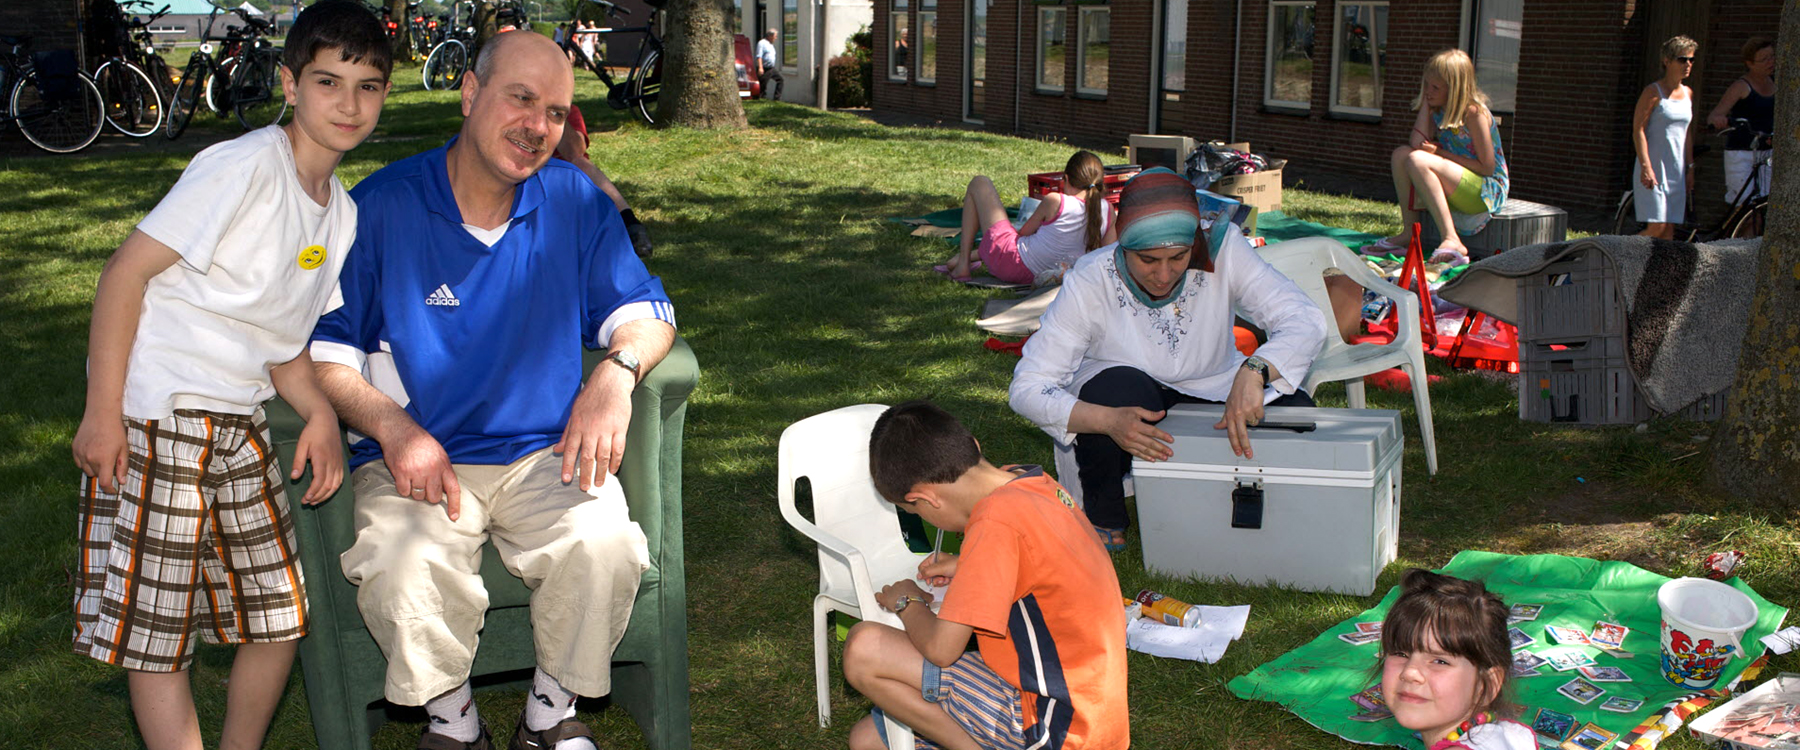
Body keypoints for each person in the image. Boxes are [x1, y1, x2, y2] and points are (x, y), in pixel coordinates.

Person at [309, 30, 676, 750]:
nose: (537, 126)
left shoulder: (573, 200)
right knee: (404, 564)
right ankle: (455, 725)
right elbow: (326, 356)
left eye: (555, 111)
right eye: (521, 99)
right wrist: (393, 428)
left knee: (603, 543)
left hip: (544, 454)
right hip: (419, 458)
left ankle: (546, 718)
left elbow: (647, 313)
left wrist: (616, 372)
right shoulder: (380, 208)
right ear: (471, 94)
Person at [69, 2, 389, 747]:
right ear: (288, 83)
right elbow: (125, 275)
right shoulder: (243, 167)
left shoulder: (338, 214)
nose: (348, 105)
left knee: (279, 613)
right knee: (157, 629)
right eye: (328, 82)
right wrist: (101, 410)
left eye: (368, 86)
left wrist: (317, 414)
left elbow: (282, 343)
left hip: (238, 427)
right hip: (160, 417)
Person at [1008, 168, 1327, 551]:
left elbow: (1305, 319)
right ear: (1123, 247)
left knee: (1297, 415)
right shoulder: (1092, 278)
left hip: (1215, 387)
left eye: (1178, 257)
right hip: (1129, 396)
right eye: (1148, 260)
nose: (1163, 274)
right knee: (1115, 390)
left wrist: (1255, 370)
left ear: (1194, 242)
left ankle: (1247, 500)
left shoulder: (1223, 250)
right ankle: (1104, 514)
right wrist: (1107, 421)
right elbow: (1027, 387)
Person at [844, 400, 1129, 750]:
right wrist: (967, 563)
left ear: (925, 498)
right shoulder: (1032, 483)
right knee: (868, 740)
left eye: (912, 511)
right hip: (1095, 716)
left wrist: (908, 600)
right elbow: (1041, 559)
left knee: (864, 647)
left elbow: (941, 650)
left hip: (1051, 727)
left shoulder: (993, 525)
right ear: (974, 447)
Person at [1367, 48, 1508, 264]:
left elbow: (1487, 167)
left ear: (1454, 90)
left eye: (1435, 87)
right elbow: (1417, 143)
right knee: (1401, 155)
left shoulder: (1474, 113)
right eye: (1426, 85)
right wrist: (1425, 106)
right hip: (1459, 179)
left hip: (1487, 190)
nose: (1428, 92)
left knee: (1418, 160)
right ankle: (1409, 234)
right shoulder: (1440, 109)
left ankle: (1452, 238)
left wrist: (1441, 153)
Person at [1376, 569, 1534, 750]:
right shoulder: (1510, 734)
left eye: (1440, 661)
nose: (1410, 672)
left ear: (1487, 685)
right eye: (1400, 654)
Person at [938, 150, 1117, 284]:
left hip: (1013, 264)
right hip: (1052, 275)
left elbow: (1024, 233)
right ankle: (967, 258)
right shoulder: (1109, 211)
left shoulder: (1056, 201)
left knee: (980, 183)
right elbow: (1105, 257)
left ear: (1066, 179)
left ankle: (963, 264)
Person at [555, 103, 654, 257]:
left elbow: (574, 151)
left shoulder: (569, 111)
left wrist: (555, 113)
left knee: (580, 162)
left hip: (567, 179)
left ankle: (629, 222)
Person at [1631, 36, 1698, 239]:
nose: (1687, 64)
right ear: (1667, 61)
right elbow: (1638, 130)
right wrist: (1646, 166)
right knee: (1656, 228)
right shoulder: (1653, 92)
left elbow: (1686, 135)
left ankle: (1658, 270)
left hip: (1676, 170)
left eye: (1691, 60)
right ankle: (1615, 254)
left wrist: (1690, 168)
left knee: (1668, 231)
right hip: (1654, 166)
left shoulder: (1688, 93)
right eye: (1682, 59)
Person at [1705, 37, 1775, 219]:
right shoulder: (1741, 87)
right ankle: (1740, 244)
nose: (1770, 62)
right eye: (1764, 59)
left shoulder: (1777, 84)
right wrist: (1720, 120)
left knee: (1764, 206)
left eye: (1772, 57)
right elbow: (1714, 115)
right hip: (1742, 153)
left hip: (1767, 153)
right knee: (1743, 209)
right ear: (1750, 63)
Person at [756, 28, 783, 100]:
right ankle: (761, 99)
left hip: (771, 68)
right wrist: (760, 67)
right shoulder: (762, 43)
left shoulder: (771, 44)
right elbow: (759, 56)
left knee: (780, 80)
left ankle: (777, 98)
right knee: (763, 85)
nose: (776, 38)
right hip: (765, 68)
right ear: (770, 36)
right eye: (775, 36)